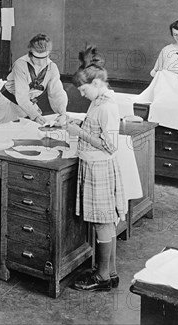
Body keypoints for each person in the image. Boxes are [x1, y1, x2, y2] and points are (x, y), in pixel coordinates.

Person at [67, 46, 125, 292]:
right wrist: (79, 125)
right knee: (105, 222)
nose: (81, 93)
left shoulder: (107, 106)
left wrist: (79, 132)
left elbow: (111, 146)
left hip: (99, 167)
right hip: (94, 165)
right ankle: (108, 272)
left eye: (83, 89)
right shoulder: (98, 102)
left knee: (102, 222)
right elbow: (96, 129)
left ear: (98, 82)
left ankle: (101, 277)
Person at [0, 34, 68, 127]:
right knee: (1, 137)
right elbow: (22, 96)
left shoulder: (52, 68)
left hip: (26, 107)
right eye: (37, 58)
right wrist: (35, 116)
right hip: (8, 104)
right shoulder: (20, 65)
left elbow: (57, 93)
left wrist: (62, 113)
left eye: (44, 57)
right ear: (30, 53)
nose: (41, 62)